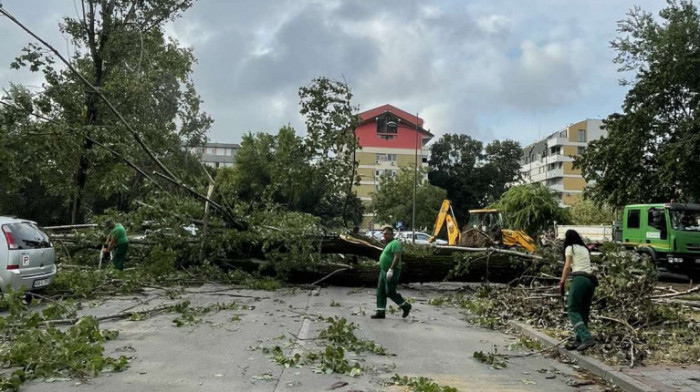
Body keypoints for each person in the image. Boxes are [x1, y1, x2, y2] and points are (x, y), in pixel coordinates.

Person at [559, 229, 597, 351]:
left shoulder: (570, 248)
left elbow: (567, 266)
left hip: (579, 279)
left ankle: (586, 338)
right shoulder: (584, 248)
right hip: (590, 281)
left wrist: (562, 281)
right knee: (583, 311)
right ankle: (579, 340)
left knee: (572, 309)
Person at [371, 226, 412, 319]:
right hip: (383, 271)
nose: (384, 236)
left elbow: (396, 257)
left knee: (390, 291)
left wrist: (391, 269)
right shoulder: (388, 243)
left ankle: (405, 306)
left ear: (392, 234)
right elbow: (387, 256)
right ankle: (380, 312)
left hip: (392, 271)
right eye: (383, 234)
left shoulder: (395, 243)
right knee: (380, 291)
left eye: (386, 234)